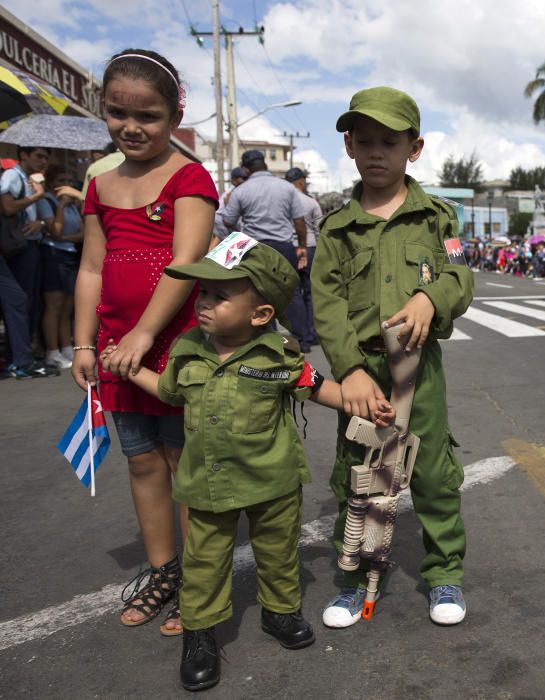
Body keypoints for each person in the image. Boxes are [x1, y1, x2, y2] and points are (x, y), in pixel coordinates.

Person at [101, 234, 394, 690]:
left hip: (273, 482)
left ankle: (280, 613)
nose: (204, 303)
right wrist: (131, 369)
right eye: (203, 292)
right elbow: (169, 392)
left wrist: (364, 406)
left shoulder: (279, 356)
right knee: (203, 564)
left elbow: (319, 388)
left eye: (220, 296)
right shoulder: (186, 349)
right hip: (207, 484)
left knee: (277, 556)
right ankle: (199, 636)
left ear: (260, 315)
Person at [312, 86, 474, 628]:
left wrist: (432, 297)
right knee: (358, 476)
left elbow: (460, 275)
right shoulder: (336, 228)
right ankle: (353, 578)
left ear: (415, 147)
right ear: (350, 147)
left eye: (389, 140)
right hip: (363, 377)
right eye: (364, 141)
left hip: (418, 370)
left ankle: (444, 571)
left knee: (432, 473)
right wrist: (350, 372)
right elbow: (327, 303)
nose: (376, 151)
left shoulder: (438, 219)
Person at [71, 49, 218, 635]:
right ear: (101, 109)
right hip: (116, 353)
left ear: (175, 114)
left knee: (185, 462)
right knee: (140, 463)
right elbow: (89, 268)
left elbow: (187, 263)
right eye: (116, 113)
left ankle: (200, 580)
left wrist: (145, 332)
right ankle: (165, 572)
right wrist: (85, 344)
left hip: (175, 346)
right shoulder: (99, 184)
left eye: (149, 116)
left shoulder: (190, 177)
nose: (131, 127)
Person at [219, 150, 310, 350]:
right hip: (283, 246)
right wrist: (302, 245)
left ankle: (269, 339)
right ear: (265, 165)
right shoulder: (287, 188)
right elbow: (299, 221)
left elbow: (228, 220)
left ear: (245, 168)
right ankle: (302, 340)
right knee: (293, 292)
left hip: (254, 247)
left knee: (261, 293)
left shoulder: (241, 191)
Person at [1, 145, 50, 350]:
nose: (43, 161)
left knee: (30, 301)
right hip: (18, 246)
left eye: (46, 158)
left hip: (30, 243)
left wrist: (39, 223)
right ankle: (18, 355)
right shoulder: (12, 176)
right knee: (20, 301)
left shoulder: (28, 179)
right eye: (39, 156)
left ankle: (25, 351)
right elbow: (8, 207)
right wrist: (36, 197)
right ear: (24, 155)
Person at [37, 164, 85, 368]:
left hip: (69, 253)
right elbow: (55, 230)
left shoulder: (72, 203)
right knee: (54, 305)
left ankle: (66, 348)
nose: (64, 186)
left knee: (67, 306)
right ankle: (52, 351)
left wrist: (65, 236)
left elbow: (82, 233)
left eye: (67, 181)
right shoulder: (47, 201)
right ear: (50, 183)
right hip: (52, 254)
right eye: (59, 181)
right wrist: (61, 207)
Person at [285, 166, 321, 348]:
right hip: (311, 248)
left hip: (289, 248)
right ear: (300, 182)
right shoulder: (310, 202)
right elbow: (319, 229)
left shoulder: (283, 200)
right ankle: (311, 333)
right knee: (310, 292)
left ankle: (299, 334)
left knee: (293, 293)